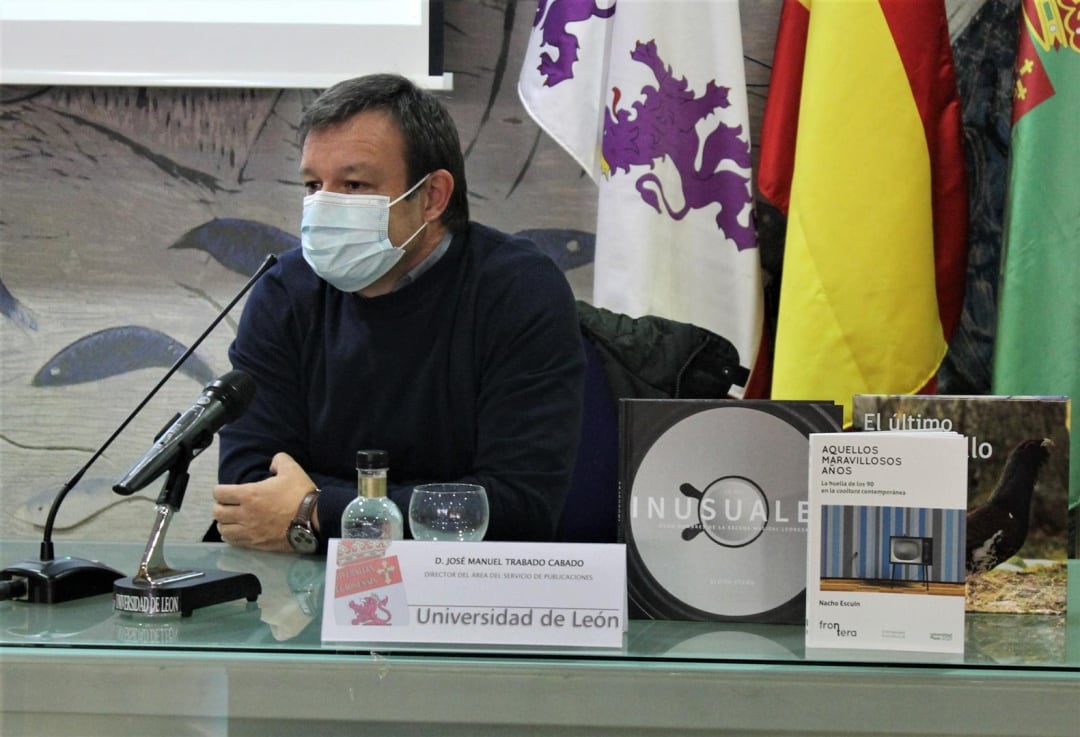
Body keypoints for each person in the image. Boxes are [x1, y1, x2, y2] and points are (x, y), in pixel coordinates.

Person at [207, 74, 586, 553]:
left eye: (353, 183)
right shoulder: (285, 292)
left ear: (432, 197)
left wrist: (315, 511)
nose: (325, 204)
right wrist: (415, 510)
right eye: (313, 184)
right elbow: (249, 491)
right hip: (306, 593)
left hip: (473, 599)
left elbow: (518, 506)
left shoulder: (519, 291)